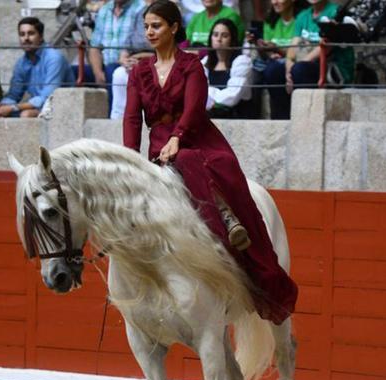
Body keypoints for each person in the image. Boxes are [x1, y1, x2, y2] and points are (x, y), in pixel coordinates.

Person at [123, 0, 298, 324]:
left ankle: (229, 218)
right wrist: (131, 157)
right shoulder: (138, 72)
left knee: (192, 160)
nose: (150, 32)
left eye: (156, 25)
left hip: (197, 137)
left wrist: (178, 137)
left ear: (174, 28)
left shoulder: (192, 65)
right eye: (147, 26)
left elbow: (194, 108)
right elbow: (132, 118)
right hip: (159, 143)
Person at [0, 17, 73, 118]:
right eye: (22, 34)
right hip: (39, 107)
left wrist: (13, 107)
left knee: (26, 115)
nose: (26, 38)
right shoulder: (21, 63)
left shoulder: (54, 58)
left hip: (61, 107)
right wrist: (1, 106)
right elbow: (14, 95)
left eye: (31, 33)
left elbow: (48, 97)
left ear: (40, 37)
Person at [280, 0, 354, 119]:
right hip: (305, 64)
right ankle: (282, 119)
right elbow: (292, 49)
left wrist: (294, 69)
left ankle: (306, 118)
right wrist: (289, 71)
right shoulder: (303, 16)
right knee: (273, 69)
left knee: (300, 70)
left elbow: (327, 46)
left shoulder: (336, 12)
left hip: (332, 68)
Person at [248, 0, 306, 119]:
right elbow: (268, 53)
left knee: (274, 70)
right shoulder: (270, 22)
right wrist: (260, 46)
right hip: (273, 63)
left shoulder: (301, 20)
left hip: (296, 62)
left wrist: (279, 50)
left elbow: (298, 52)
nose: (275, 2)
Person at [85, 0, 145, 107]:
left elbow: (143, 45)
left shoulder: (141, 8)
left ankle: (112, 118)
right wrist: (98, 73)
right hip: (104, 65)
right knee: (75, 72)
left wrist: (126, 59)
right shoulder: (104, 10)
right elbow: (94, 47)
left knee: (112, 71)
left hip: (128, 64)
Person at [109, 0, 155, 119]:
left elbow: (170, 50)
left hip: (157, 61)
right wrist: (125, 60)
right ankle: (118, 119)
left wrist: (138, 58)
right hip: (135, 60)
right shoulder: (140, 13)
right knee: (119, 74)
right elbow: (127, 42)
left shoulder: (170, 12)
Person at [202, 18, 253, 118]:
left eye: (224, 36)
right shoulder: (205, 61)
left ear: (232, 39)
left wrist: (207, 94)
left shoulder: (242, 61)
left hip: (237, 117)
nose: (219, 39)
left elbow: (231, 98)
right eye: (215, 35)